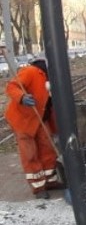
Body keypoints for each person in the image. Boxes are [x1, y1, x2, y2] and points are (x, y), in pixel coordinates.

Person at [4, 57, 61, 199]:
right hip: (23, 120)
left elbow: (51, 103)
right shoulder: (30, 71)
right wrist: (22, 97)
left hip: (41, 118)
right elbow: (12, 86)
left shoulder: (51, 78)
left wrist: (55, 128)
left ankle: (50, 181)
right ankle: (38, 186)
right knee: (30, 153)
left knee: (47, 148)